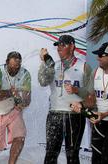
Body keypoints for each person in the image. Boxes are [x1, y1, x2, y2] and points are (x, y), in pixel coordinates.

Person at [38, 35, 92, 164]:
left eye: (63, 45)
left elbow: (91, 95)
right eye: (58, 46)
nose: (59, 48)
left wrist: (77, 90)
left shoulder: (84, 66)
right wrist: (44, 64)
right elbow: (43, 82)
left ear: (72, 46)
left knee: (72, 154)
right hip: (54, 114)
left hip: (74, 116)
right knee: (50, 153)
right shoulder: (53, 65)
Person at [0, 51, 31, 164]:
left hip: (12, 110)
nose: (15, 70)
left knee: (20, 137)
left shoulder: (25, 73)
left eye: (18, 66)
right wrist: (11, 93)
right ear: (6, 63)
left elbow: (27, 99)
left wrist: (22, 103)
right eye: (12, 66)